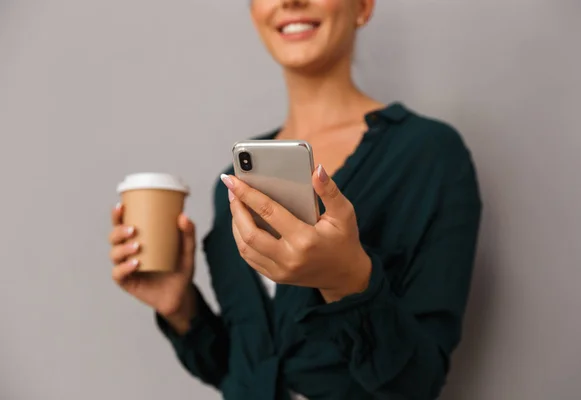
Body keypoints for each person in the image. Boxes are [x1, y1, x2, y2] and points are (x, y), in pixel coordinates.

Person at [108, 0, 482, 399]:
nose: (290, 0)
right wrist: (180, 308)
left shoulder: (429, 156)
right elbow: (244, 373)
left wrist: (347, 282)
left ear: (363, 7)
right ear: (255, 14)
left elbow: (418, 384)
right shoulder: (235, 184)